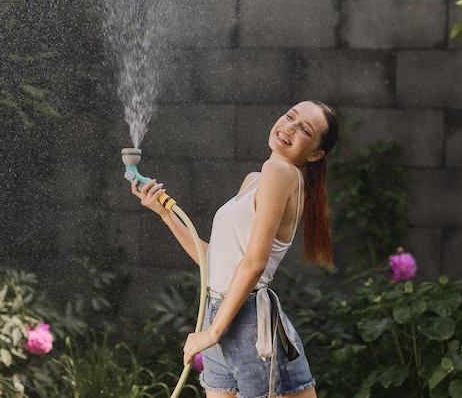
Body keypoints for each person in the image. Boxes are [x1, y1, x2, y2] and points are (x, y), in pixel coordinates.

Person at [131, 100, 339, 398]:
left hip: (245, 319)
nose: (290, 127)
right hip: (221, 314)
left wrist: (213, 331)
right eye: (289, 116)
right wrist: (165, 213)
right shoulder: (255, 180)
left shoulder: (280, 171)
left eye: (304, 129)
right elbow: (214, 260)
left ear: (316, 154)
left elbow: (254, 263)